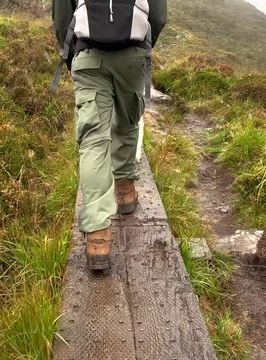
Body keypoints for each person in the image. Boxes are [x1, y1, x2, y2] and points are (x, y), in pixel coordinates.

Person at [52, 0, 167, 270]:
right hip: (133, 55)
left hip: (88, 55)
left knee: (93, 141)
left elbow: (60, 19)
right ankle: (125, 193)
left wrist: (71, 57)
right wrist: (142, 47)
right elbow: (159, 17)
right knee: (127, 122)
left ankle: (97, 237)